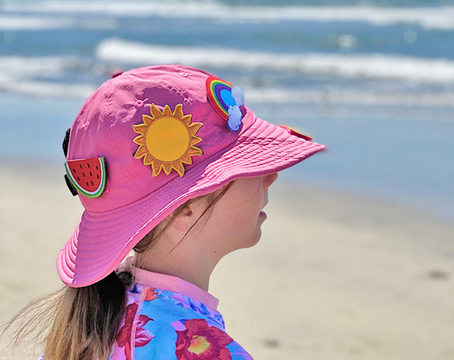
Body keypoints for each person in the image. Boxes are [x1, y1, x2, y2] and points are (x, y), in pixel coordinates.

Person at [4, 65, 326, 360]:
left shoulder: (100, 319)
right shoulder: (201, 349)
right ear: (185, 206)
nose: (271, 176)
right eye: (247, 167)